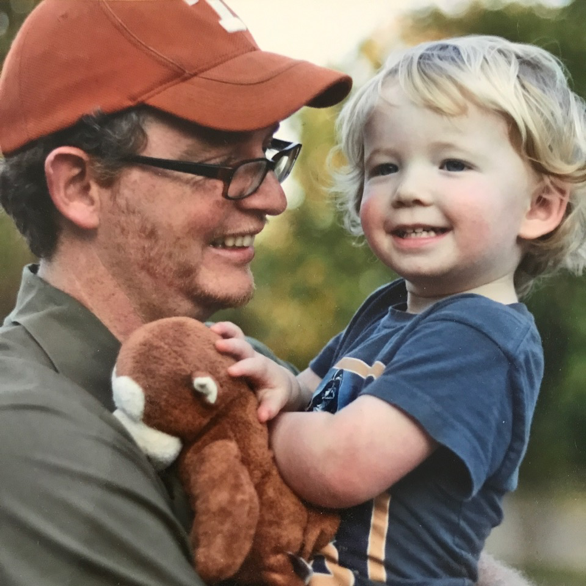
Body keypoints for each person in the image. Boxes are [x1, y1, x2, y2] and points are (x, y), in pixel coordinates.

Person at [212, 35, 586, 586]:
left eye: (453, 164)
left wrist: (241, 422)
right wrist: (279, 386)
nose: (409, 188)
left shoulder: (481, 337)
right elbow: (316, 391)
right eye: (385, 167)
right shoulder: (386, 310)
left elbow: (340, 465)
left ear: (539, 207)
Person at [0, 1, 352, 585]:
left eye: (266, 155)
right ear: (81, 186)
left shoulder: (242, 372)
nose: (272, 200)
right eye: (222, 164)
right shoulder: (25, 432)